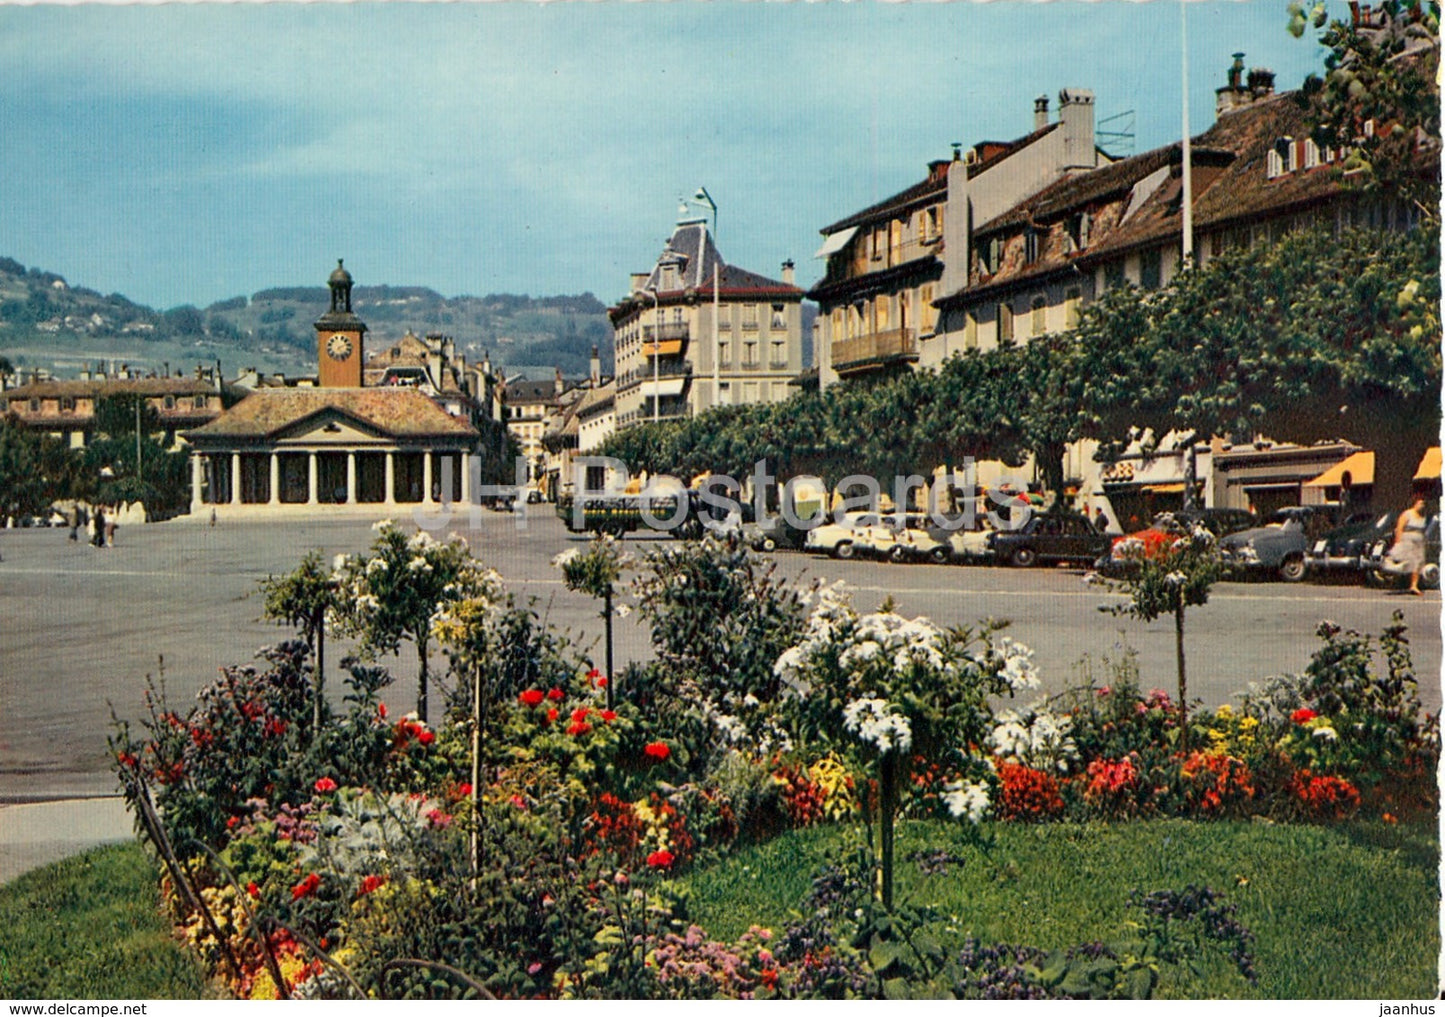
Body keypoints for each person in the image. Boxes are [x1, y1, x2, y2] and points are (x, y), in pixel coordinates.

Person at [1388, 495, 1430, 595]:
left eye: (1423, 503)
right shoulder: (1407, 514)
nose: (1422, 505)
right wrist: (1398, 543)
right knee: (1405, 562)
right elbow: (1399, 529)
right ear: (1415, 503)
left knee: (1418, 563)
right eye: (1421, 503)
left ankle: (1414, 586)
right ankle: (1398, 582)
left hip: (1419, 542)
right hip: (1407, 540)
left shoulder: (1422, 516)